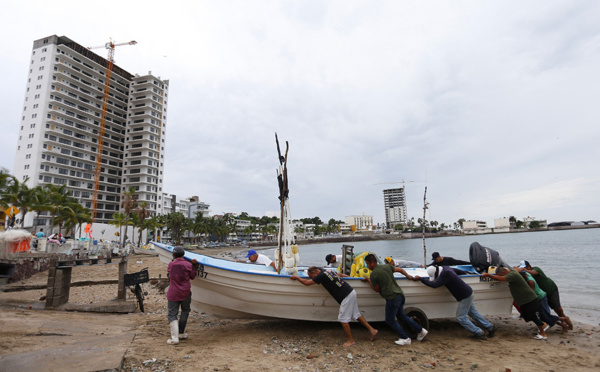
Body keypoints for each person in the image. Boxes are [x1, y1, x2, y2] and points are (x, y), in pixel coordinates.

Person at [290, 266, 378, 347]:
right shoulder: (327, 270)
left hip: (346, 295)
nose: (312, 278)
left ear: (315, 273)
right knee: (356, 315)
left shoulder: (321, 276)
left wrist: (297, 277)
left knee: (343, 319)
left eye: (311, 276)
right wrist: (351, 277)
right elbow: (339, 274)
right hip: (350, 291)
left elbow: (306, 283)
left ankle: (350, 340)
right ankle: (372, 330)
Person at [413, 266, 495, 340]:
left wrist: (421, 279)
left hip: (464, 297)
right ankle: (490, 327)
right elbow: (459, 271)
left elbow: (435, 285)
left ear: (437, 272)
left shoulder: (445, 274)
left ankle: (479, 333)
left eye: (436, 276)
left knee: (461, 317)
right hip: (468, 292)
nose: (437, 277)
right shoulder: (446, 268)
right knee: (473, 313)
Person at [362, 254, 428, 345]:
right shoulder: (387, 266)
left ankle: (405, 338)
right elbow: (400, 270)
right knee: (401, 316)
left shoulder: (373, 274)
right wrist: (408, 276)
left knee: (390, 320)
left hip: (392, 297)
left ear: (372, 263)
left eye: (367, 264)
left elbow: (377, 290)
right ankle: (421, 330)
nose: (367, 266)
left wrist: (369, 280)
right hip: (400, 294)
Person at [482, 266, 548, 340]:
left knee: (535, 316)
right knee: (527, 315)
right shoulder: (512, 271)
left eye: (499, 274)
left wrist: (488, 275)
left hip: (529, 298)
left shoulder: (512, 275)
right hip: (524, 300)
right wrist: (521, 269)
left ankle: (543, 334)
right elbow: (517, 269)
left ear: (504, 272)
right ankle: (543, 324)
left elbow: (502, 278)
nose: (500, 276)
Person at [518, 260, 573, 330]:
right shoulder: (525, 275)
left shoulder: (536, 269)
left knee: (558, 309)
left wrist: (524, 270)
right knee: (545, 312)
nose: (524, 270)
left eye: (525, 268)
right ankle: (562, 324)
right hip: (543, 294)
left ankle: (566, 322)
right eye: (522, 268)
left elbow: (533, 273)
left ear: (529, 266)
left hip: (551, 289)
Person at [167, 246, 198, 345]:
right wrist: (194, 266)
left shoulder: (171, 264)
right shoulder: (188, 264)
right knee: (185, 311)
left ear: (174, 255)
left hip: (173, 292)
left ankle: (175, 338)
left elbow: (168, 275)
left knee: (172, 314)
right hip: (185, 292)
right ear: (184, 254)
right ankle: (180, 333)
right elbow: (192, 276)